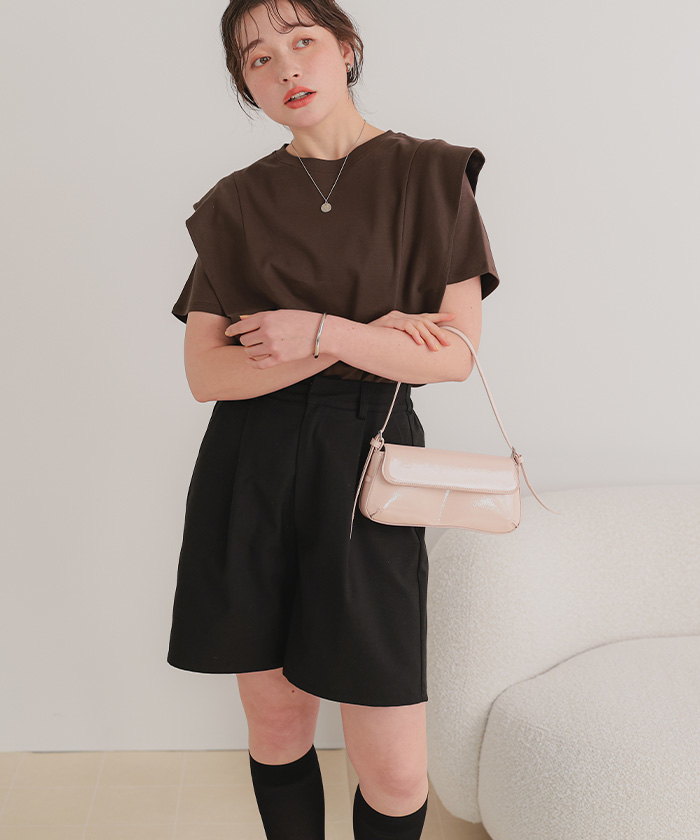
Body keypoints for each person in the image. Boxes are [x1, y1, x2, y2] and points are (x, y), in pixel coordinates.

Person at [167, 1, 500, 838]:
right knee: (279, 726)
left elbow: (455, 354)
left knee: (395, 768)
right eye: (257, 58)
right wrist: (357, 339)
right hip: (250, 463)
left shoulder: (431, 174)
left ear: (346, 49)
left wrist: (320, 331)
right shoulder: (236, 204)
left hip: (371, 463)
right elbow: (207, 374)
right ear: (245, 85)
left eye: (302, 40)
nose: (285, 66)